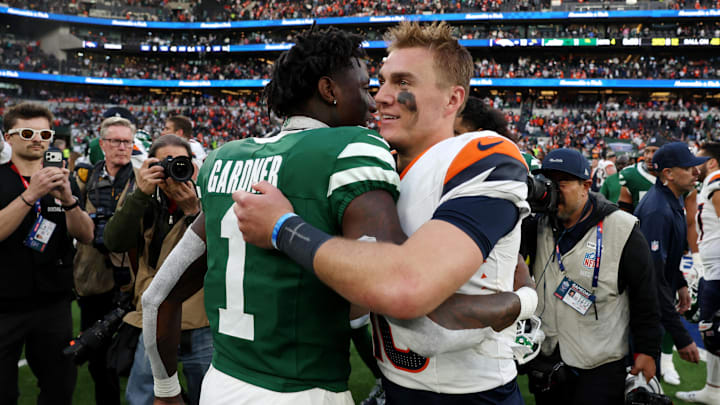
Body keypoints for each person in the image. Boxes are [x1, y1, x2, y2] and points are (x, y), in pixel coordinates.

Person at [232, 21, 538, 403]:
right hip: (397, 386)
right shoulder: (380, 168)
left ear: (452, 99)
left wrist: (282, 227)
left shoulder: (481, 154)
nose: (381, 96)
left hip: (469, 394)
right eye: (383, 81)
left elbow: (415, 303)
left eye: (404, 83)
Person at [141, 27, 406, 405]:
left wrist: (166, 392)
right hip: (304, 391)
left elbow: (156, 296)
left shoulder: (223, 159)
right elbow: (389, 285)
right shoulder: (353, 146)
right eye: (365, 88)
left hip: (221, 385)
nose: (374, 101)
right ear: (329, 90)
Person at [519, 148, 660, 404]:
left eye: (561, 183)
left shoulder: (622, 228)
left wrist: (647, 350)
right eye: (547, 183)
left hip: (600, 363)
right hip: (548, 356)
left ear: (586, 186)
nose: (552, 191)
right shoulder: (535, 224)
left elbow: (645, 295)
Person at [103, 134, 212, 405]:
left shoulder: (210, 199)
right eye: (166, 163)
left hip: (200, 319)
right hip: (154, 319)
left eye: (181, 162)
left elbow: (217, 253)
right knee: (144, 396)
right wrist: (140, 194)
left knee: (208, 395)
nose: (174, 169)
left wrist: (192, 211)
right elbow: (114, 241)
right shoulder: (143, 199)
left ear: (194, 165)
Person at [0, 102, 94, 405]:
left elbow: (87, 234)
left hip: (53, 303)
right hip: (4, 303)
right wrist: (31, 194)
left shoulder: (61, 179)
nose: (37, 138)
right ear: (8, 137)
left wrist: (68, 200)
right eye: (27, 132)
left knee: (59, 388)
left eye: (44, 133)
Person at [73, 116, 138, 405]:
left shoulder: (142, 177)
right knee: (98, 358)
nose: (122, 147)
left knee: (138, 356)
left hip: (133, 281)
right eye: (115, 141)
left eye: (127, 141)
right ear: (103, 144)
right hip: (95, 279)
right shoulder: (86, 177)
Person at [634, 142, 705, 375]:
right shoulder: (657, 211)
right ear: (669, 174)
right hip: (641, 316)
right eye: (688, 167)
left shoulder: (672, 200)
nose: (696, 172)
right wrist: (681, 336)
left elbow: (668, 259)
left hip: (651, 308)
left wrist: (681, 284)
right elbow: (652, 278)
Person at [677, 142, 720, 404]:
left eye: (699, 159)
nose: (694, 164)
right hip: (712, 268)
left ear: (712, 162)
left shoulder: (716, 182)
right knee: (713, 333)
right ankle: (713, 389)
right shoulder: (709, 183)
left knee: (715, 332)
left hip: (718, 271)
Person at [618, 137, 666, 213]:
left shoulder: (677, 175)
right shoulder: (631, 174)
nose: (649, 156)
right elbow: (624, 216)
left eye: (655, 151)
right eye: (647, 151)